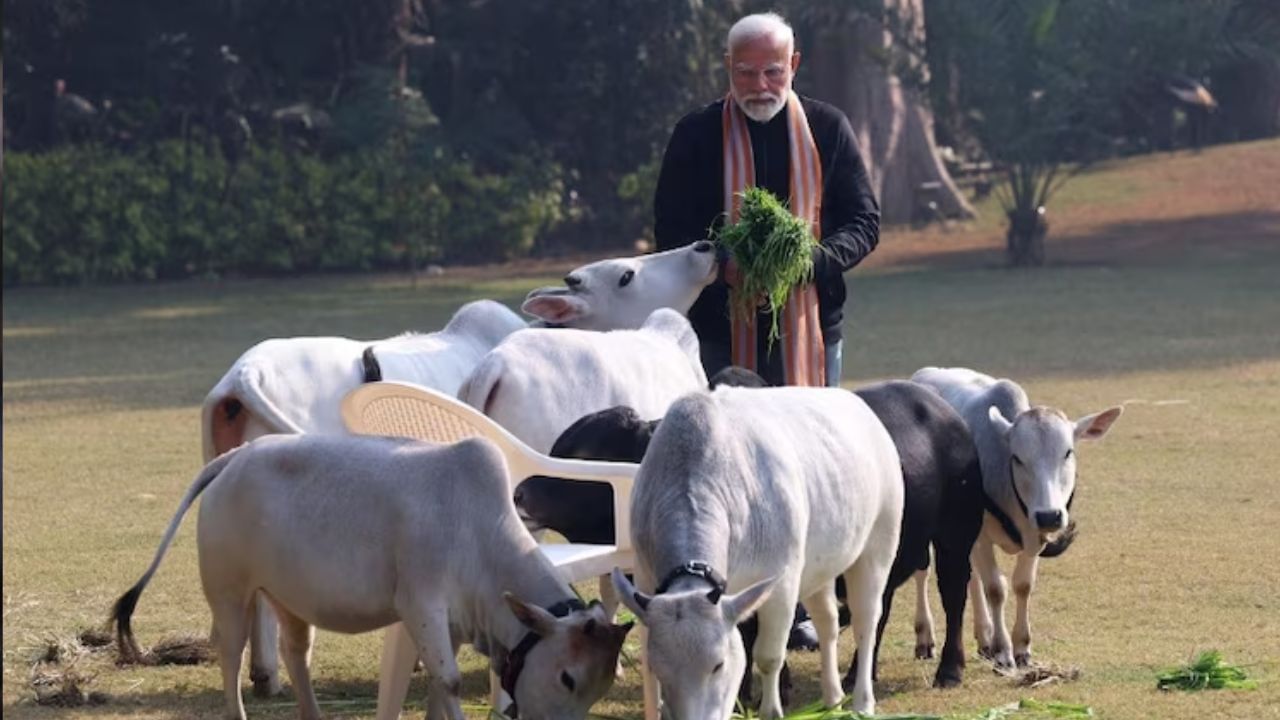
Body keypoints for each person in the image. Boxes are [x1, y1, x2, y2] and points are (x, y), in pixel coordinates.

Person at [654, 11, 880, 388]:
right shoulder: (695, 134)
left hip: (814, 327)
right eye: (745, 72)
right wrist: (723, 265)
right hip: (717, 334)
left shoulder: (828, 127)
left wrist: (808, 262)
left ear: (793, 64)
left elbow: (864, 222)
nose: (759, 86)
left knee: (813, 442)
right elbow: (671, 228)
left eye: (773, 71)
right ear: (728, 66)